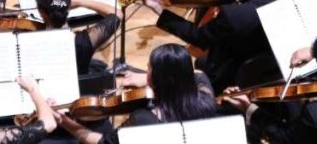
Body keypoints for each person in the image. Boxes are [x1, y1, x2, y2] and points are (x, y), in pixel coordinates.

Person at [142, 0, 301, 93]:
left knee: (202, 65)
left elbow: (199, 37)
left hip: (240, 77)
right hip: (283, 65)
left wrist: (159, 9)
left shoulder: (236, 16)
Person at [56, 44, 217, 143]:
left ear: (155, 78)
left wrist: (65, 122)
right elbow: (196, 73)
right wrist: (147, 80)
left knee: (101, 126)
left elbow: (101, 142)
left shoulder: (143, 120)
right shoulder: (207, 99)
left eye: (148, 68)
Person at [32, 0, 120, 75]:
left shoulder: (32, 42)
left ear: (41, 11)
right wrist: (81, 2)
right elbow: (118, 15)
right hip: (82, 89)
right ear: (68, 4)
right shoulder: (84, 41)